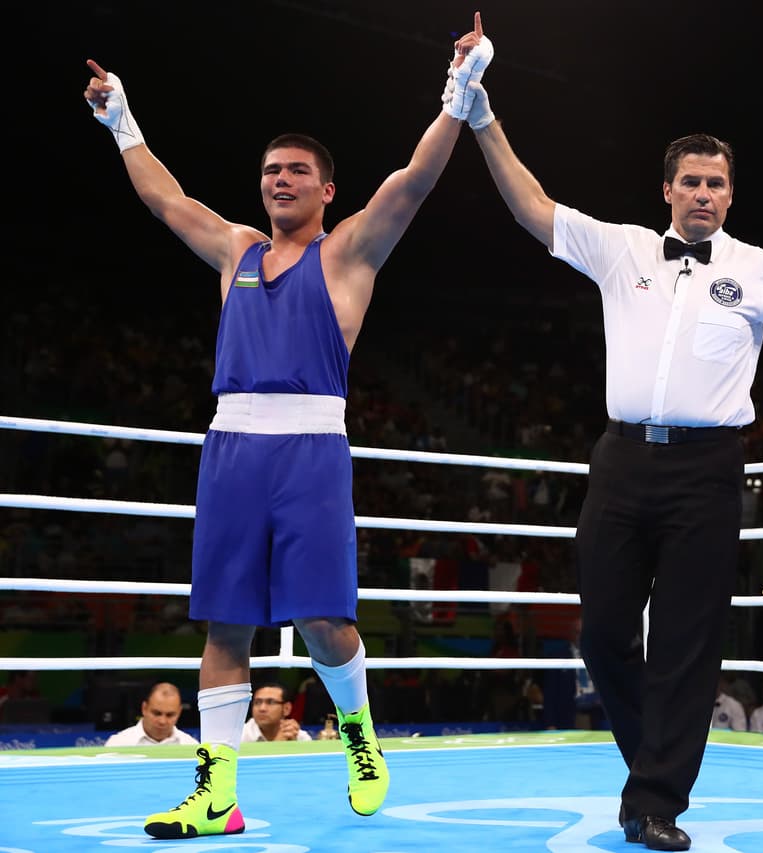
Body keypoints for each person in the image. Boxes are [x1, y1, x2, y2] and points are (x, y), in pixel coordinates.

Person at [455, 15, 763, 850]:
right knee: (599, 634)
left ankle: (657, 801)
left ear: (732, 194)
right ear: (667, 187)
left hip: (709, 469)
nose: (704, 193)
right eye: (691, 182)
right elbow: (529, 204)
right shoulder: (618, 247)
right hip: (623, 460)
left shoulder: (760, 270)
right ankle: (651, 773)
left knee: (685, 645)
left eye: (717, 183)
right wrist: (481, 110)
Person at [82, 13, 488, 839]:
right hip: (231, 447)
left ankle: (360, 734)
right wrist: (120, 116)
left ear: (326, 188)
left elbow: (412, 181)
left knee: (324, 620)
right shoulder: (235, 251)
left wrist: (462, 86)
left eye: (297, 170)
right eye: (271, 170)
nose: (280, 180)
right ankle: (218, 794)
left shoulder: (348, 255)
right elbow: (164, 198)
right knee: (226, 619)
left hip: (310, 450)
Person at [104, 682, 198, 747]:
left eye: (170, 715)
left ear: (179, 712)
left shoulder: (192, 746)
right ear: (144, 708)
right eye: (157, 713)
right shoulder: (117, 744)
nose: (162, 721)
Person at [242, 683, 312, 743]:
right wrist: (278, 744)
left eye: (270, 702)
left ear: (286, 709)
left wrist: (293, 747)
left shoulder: (298, 736)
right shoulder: (237, 736)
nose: (262, 708)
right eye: (257, 702)